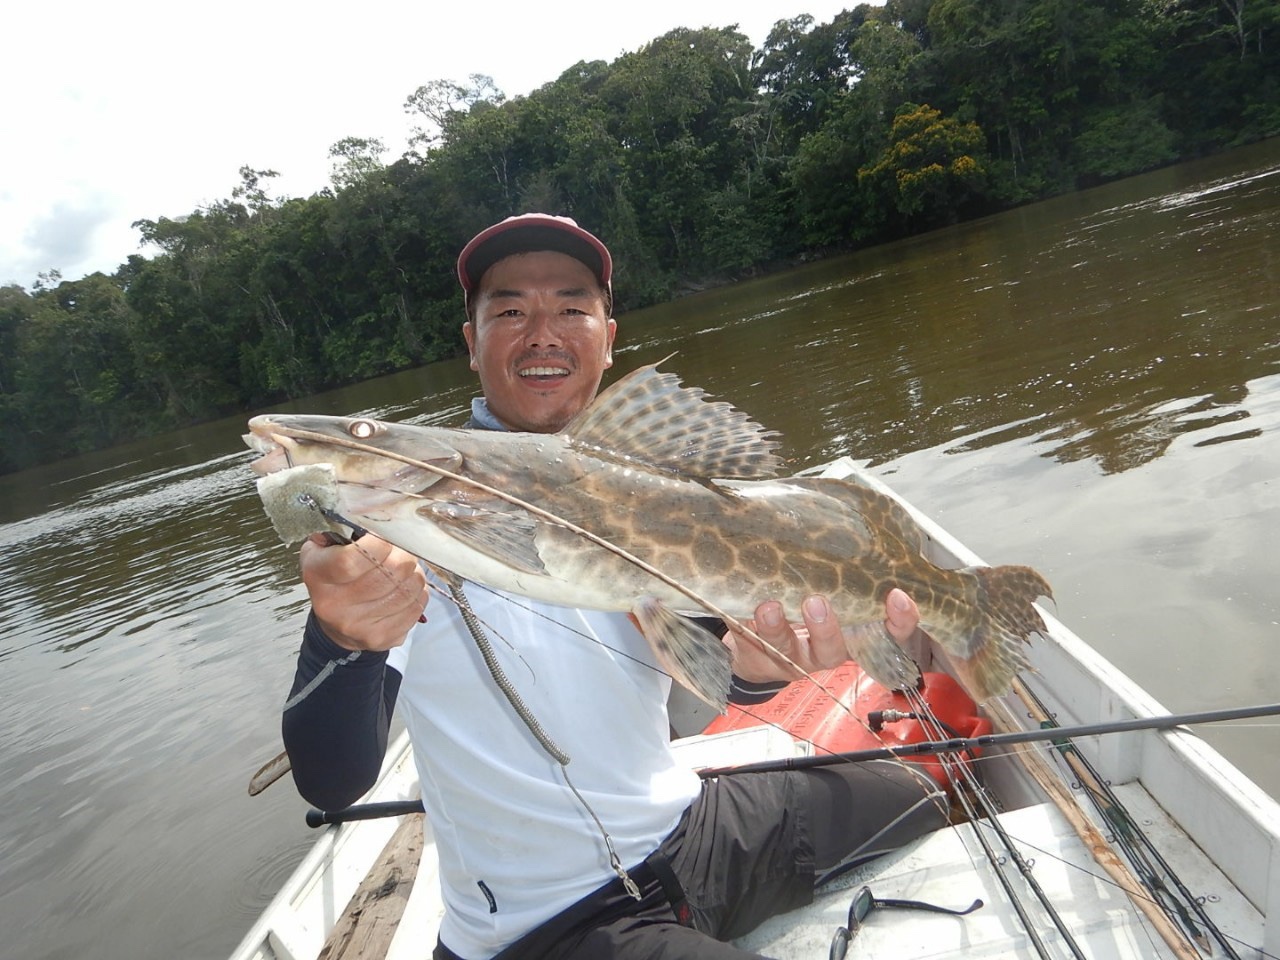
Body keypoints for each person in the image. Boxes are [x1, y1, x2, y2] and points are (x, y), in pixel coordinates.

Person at [282, 213, 948, 960]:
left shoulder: (658, 488)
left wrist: (763, 670)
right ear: (472, 343)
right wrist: (342, 636)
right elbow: (331, 782)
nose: (543, 334)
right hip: (553, 924)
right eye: (510, 312)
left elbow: (719, 664)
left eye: (572, 308)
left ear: (607, 336)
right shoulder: (392, 536)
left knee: (918, 798)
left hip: (686, 832)